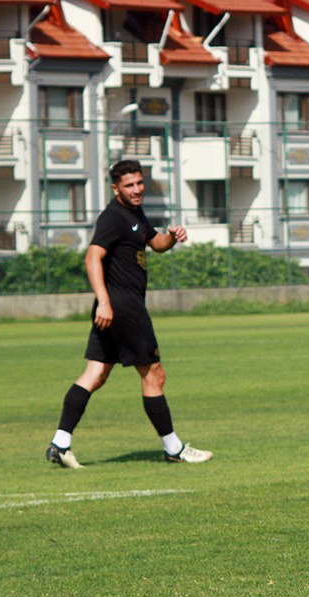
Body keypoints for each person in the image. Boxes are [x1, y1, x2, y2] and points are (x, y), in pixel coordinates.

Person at [45, 159, 212, 468]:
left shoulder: (134, 213)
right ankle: (174, 449)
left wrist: (173, 236)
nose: (136, 190)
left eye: (139, 183)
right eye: (129, 185)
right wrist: (105, 302)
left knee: (96, 374)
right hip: (122, 308)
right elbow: (92, 258)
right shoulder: (113, 217)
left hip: (115, 307)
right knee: (154, 374)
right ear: (115, 188)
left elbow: (157, 243)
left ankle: (60, 443)